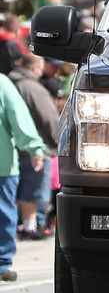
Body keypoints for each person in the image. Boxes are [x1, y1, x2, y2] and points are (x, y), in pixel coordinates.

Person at [0, 72, 46, 282]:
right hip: (4, 166)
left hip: (3, 166)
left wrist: (34, 148)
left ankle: (2, 262)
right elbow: (18, 116)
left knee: (5, 214)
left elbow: (18, 116)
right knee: (4, 214)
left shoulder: (2, 83)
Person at [8, 54, 58, 239]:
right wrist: (58, 139)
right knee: (35, 187)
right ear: (35, 67)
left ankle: (24, 224)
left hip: (14, 144)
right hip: (35, 144)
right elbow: (48, 118)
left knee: (20, 187)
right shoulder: (32, 88)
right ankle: (31, 226)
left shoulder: (10, 83)